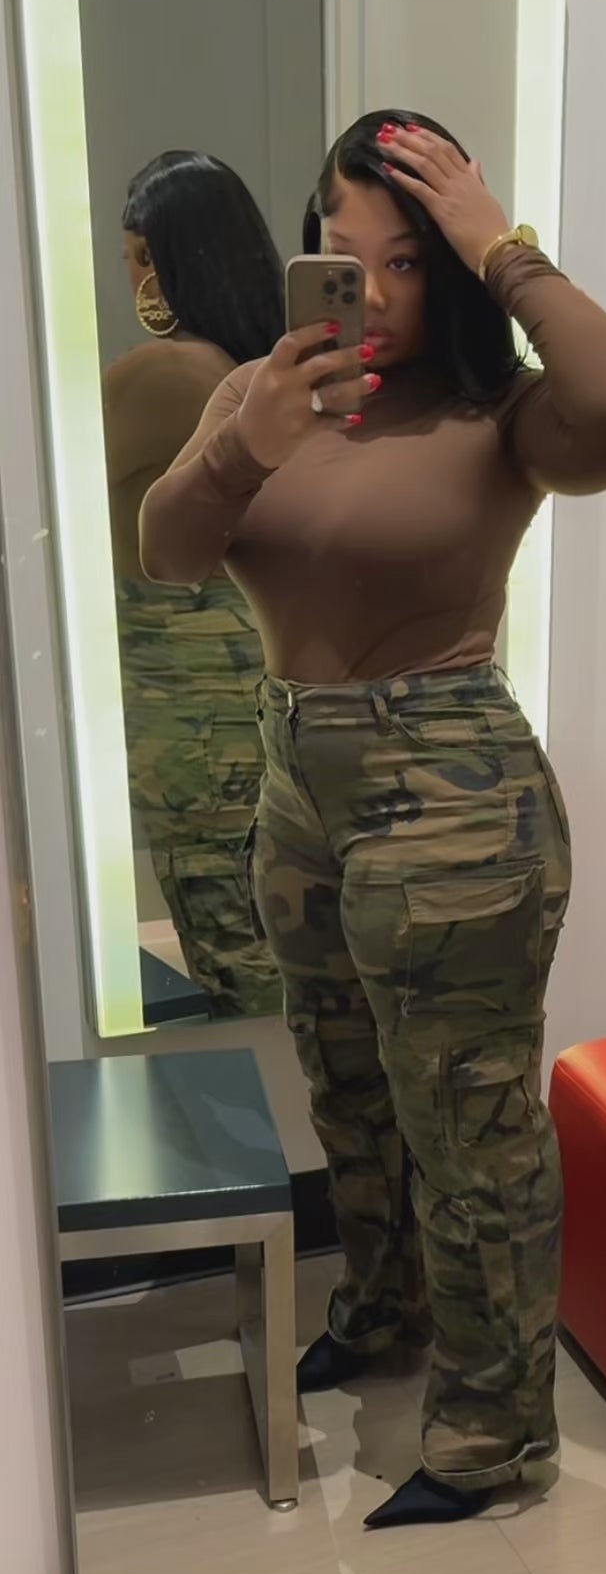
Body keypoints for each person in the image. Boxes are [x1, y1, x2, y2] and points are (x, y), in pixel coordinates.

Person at [140, 110, 606, 1527]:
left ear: (454, 267)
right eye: (341, 246)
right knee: (348, 1086)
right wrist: (245, 445)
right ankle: (384, 1313)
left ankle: (496, 1435)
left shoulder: (500, 411)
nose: (365, 286)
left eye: (407, 259)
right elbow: (169, 550)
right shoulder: (262, 389)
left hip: (450, 793)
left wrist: (507, 247)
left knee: (471, 1126)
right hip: (297, 780)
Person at [105, 150, 283, 1018]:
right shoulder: (259, 374)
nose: (130, 277)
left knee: (231, 943)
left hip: (186, 701)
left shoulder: (163, 373)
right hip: (245, 683)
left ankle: (280, 1101)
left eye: (138, 257)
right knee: (259, 928)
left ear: (173, 260)